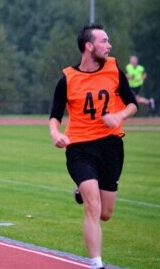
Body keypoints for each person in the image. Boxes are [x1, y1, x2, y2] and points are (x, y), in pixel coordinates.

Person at [49, 24, 137, 269]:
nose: (109, 46)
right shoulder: (67, 78)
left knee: (105, 213)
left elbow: (132, 104)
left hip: (110, 146)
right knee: (93, 205)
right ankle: (96, 263)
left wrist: (119, 117)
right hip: (80, 148)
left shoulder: (113, 70)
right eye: (104, 41)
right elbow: (55, 115)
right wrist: (55, 133)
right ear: (89, 46)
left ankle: (83, 191)